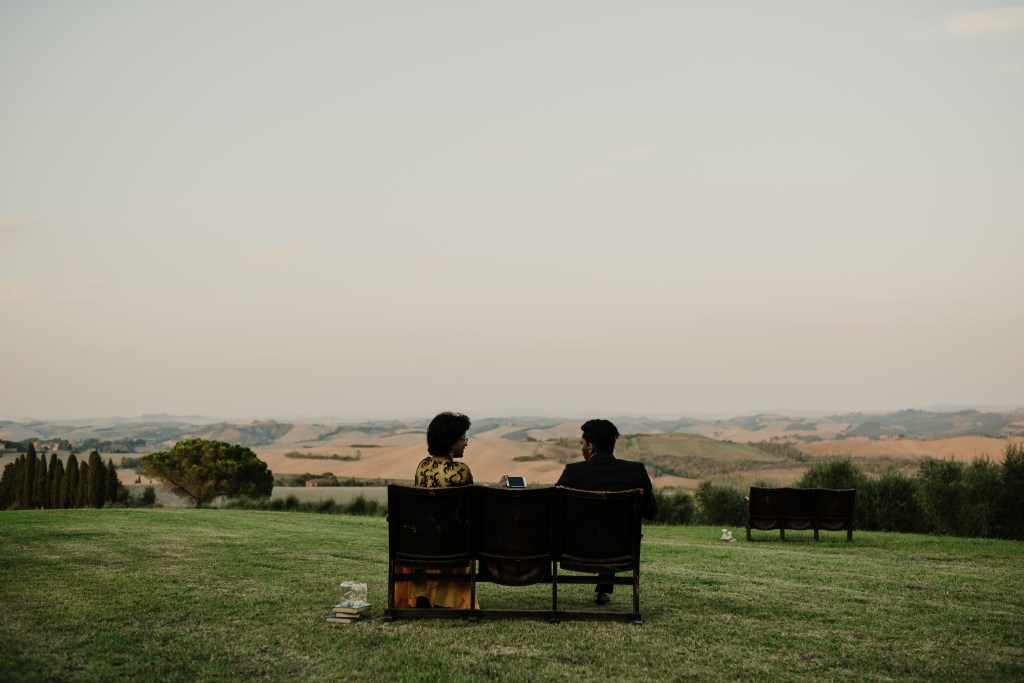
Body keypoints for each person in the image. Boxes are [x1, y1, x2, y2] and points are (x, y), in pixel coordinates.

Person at [555, 418, 657, 605]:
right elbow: (651, 512)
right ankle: (603, 589)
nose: (582, 448)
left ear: (591, 447)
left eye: (582, 444)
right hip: (621, 551)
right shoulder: (636, 471)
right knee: (611, 530)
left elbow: (552, 511)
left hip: (574, 551)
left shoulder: (573, 473)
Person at [393, 411, 479, 609]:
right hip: (452, 547)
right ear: (451, 441)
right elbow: (472, 502)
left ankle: (424, 594)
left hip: (419, 544)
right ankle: (445, 598)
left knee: (437, 530)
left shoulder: (422, 466)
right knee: (456, 532)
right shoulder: (460, 471)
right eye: (463, 438)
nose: (466, 443)